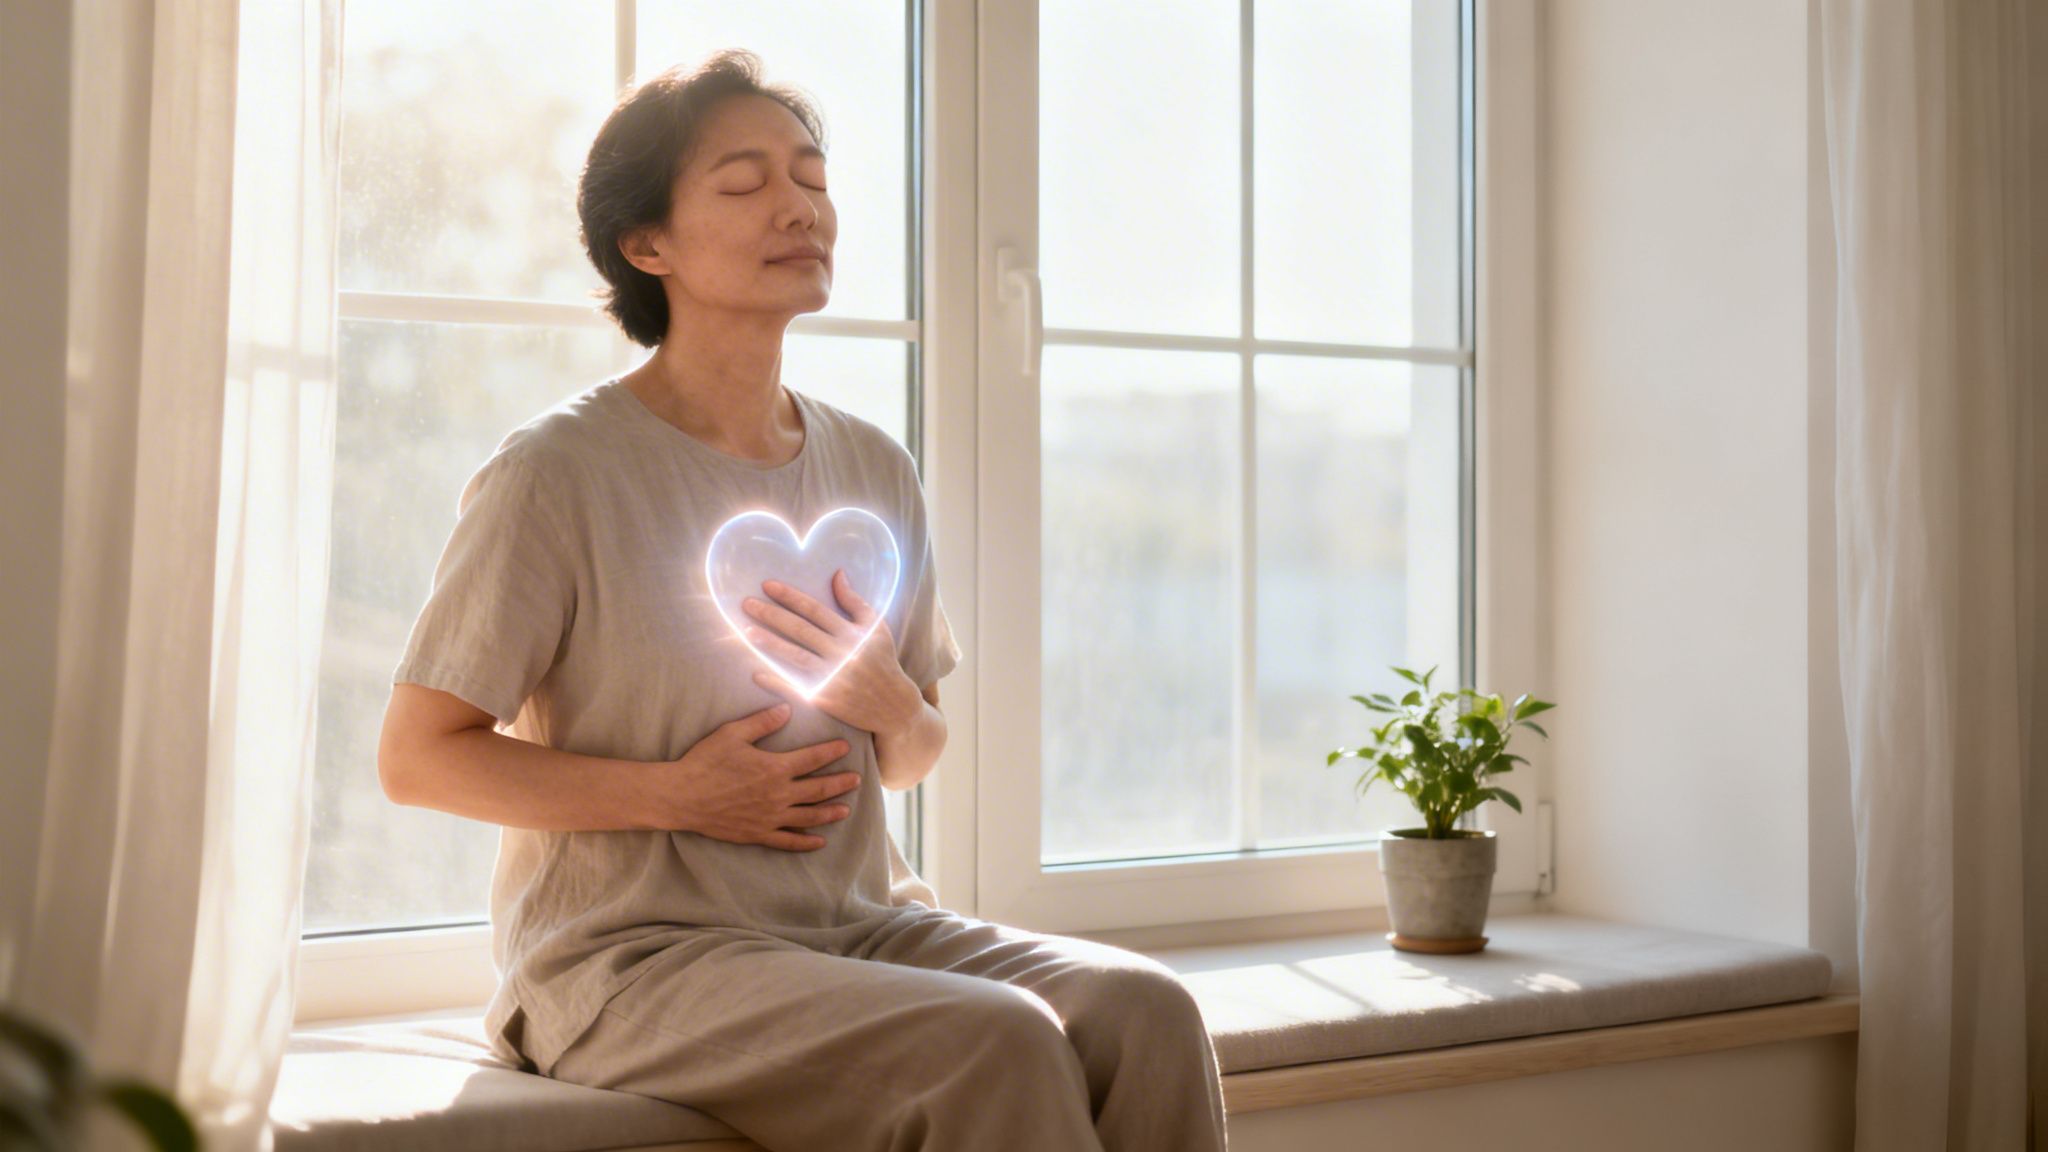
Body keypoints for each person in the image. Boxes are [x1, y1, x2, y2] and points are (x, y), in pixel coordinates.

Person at [376, 49, 1228, 1152]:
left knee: (1148, 1013)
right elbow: (418, 759)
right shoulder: (556, 473)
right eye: (745, 183)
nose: (799, 208)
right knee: (999, 1040)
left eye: (812, 179)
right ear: (647, 245)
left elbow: (912, 754)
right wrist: (681, 796)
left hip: (859, 929)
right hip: (633, 961)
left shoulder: (871, 466)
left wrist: (885, 700)